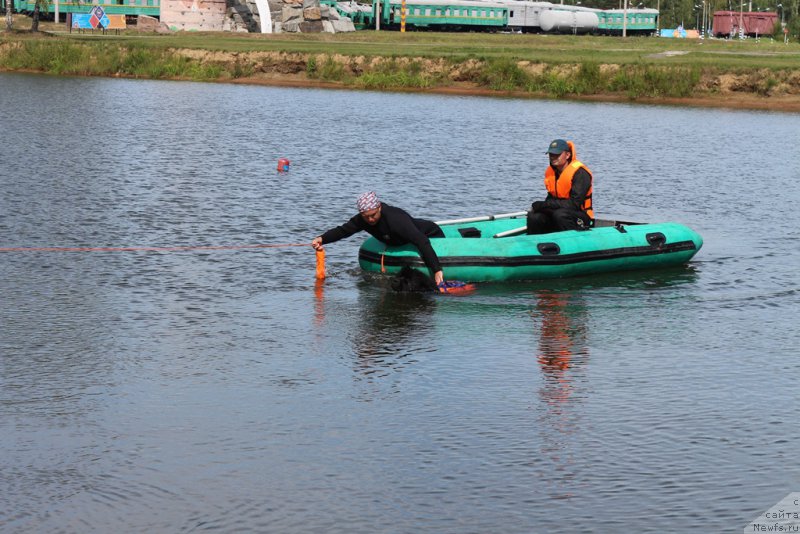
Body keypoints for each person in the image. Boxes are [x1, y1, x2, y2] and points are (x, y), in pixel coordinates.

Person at [311, 191, 446, 286]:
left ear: (379, 207)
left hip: (430, 233)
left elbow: (421, 241)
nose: (370, 219)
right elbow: (343, 231)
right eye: (366, 216)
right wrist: (322, 239)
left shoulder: (396, 219)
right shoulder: (362, 220)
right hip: (398, 241)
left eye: (373, 215)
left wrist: (437, 269)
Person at [527, 139, 594, 235]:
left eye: (557, 154)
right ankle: (535, 243)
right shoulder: (550, 173)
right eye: (551, 154)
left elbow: (574, 204)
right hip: (558, 211)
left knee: (560, 215)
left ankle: (571, 242)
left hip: (580, 215)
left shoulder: (580, 174)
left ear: (567, 155)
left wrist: (545, 205)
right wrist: (541, 207)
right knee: (535, 216)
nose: (553, 157)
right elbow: (551, 199)